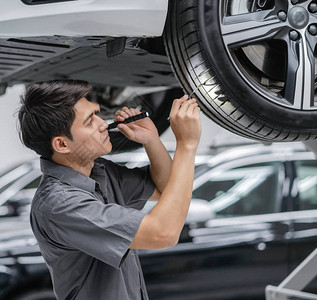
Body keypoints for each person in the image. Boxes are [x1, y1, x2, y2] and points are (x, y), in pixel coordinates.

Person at [17, 80, 201, 300]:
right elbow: (163, 234)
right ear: (62, 145)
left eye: (97, 114)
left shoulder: (99, 171)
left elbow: (166, 189)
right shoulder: (60, 204)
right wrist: (187, 145)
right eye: (89, 122)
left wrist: (152, 141)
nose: (103, 123)